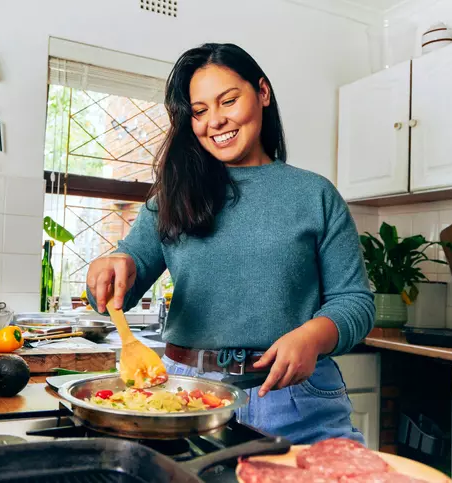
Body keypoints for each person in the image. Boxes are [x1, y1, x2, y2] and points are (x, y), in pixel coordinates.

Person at [86, 43, 375, 444]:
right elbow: (124, 278)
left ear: (262, 93)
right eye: (200, 112)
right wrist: (110, 267)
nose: (215, 121)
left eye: (228, 101)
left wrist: (313, 335)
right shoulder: (172, 196)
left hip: (299, 400)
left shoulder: (315, 195)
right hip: (187, 399)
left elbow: (355, 301)